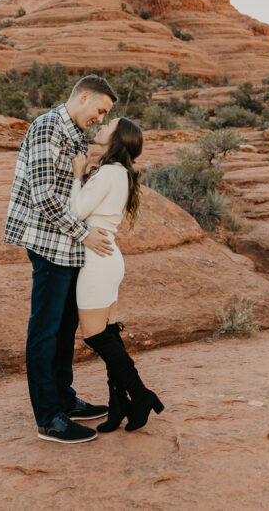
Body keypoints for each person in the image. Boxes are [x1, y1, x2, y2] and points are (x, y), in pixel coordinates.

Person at [4, 75, 117, 444]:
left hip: (66, 245)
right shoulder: (48, 128)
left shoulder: (74, 133)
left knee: (65, 326)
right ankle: (48, 418)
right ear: (84, 97)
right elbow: (44, 197)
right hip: (47, 243)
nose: (100, 119)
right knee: (45, 330)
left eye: (105, 115)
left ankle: (64, 400)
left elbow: (69, 188)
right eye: (100, 110)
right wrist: (86, 234)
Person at [70, 116, 164, 432]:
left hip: (98, 261)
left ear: (116, 139)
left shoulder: (109, 173)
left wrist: (76, 176)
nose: (102, 125)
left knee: (96, 336)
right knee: (109, 334)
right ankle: (119, 404)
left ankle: (140, 395)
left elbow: (76, 212)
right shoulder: (120, 172)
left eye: (108, 125)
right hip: (108, 258)